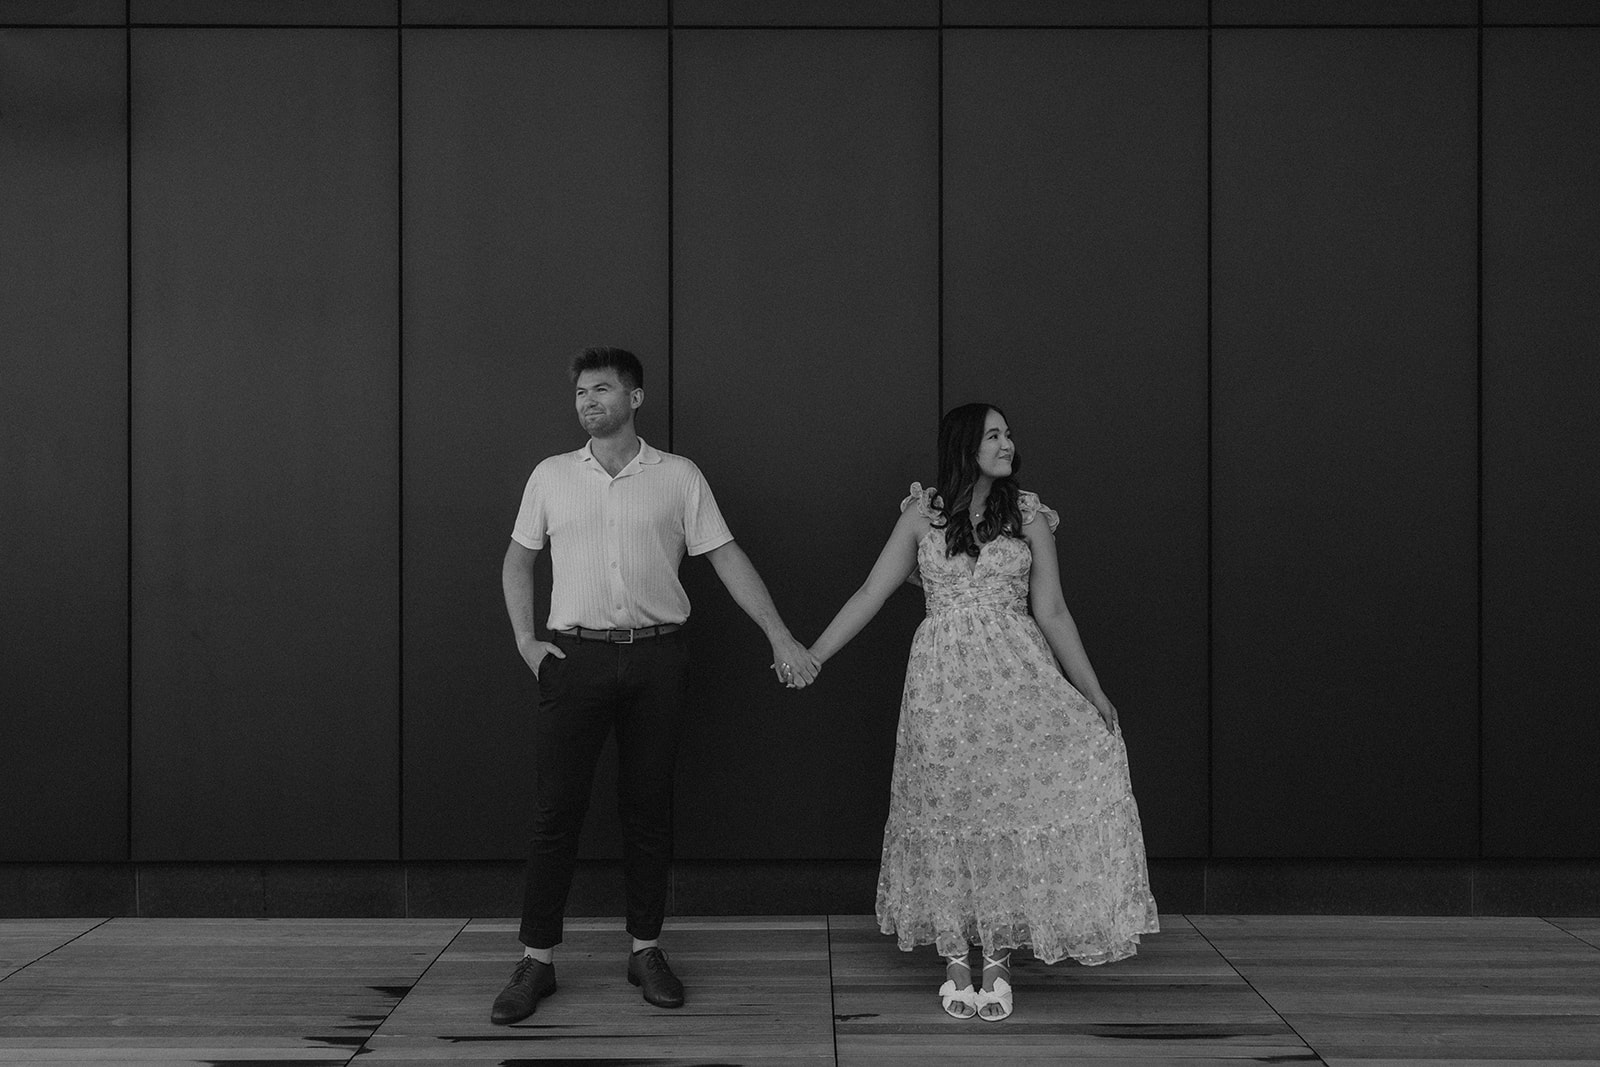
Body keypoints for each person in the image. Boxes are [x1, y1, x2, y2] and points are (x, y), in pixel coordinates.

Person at [492, 346, 819, 1025]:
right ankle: (537, 960)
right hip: (573, 660)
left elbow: (726, 557)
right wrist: (527, 642)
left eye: (602, 389)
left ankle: (645, 950)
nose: (587, 401)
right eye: (581, 391)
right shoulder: (551, 476)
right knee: (557, 812)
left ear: (635, 398)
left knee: (648, 808)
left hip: (658, 660)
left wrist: (780, 634)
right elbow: (518, 561)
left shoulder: (679, 477)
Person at [807, 402, 1158, 1021]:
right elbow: (871, 592)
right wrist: (813, 655)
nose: (1008, 443)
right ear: (965, 444)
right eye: (994, 434)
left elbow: (1052, 611)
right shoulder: (923, 514)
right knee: (949, 807)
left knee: (1004, 805)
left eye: (1008, 434)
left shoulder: (1028, 516)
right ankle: (954, 958)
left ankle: (994, 958)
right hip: (942, 685)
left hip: (1016, 683)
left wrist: (1093, 692)